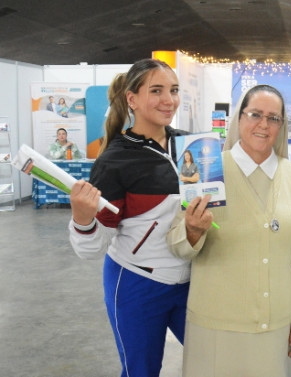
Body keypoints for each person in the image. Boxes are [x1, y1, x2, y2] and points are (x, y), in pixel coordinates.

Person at [167, 84, 291, 377]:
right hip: (217, 330)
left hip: (278, 329)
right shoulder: (208, 170)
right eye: (255, 114)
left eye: (274, 118)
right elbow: (176, 243)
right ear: (239, 119)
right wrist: (193, 231)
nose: (264, 124)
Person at [68, 58, 188, 377]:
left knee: (215, 358)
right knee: (141, 371)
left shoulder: (190, 143)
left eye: (174, 90)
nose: (169, 99)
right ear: (131, 99)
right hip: (137, 283)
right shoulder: (115, 160)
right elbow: (91, 248)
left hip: (192, 280)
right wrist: (83, 219)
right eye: (157, 90)